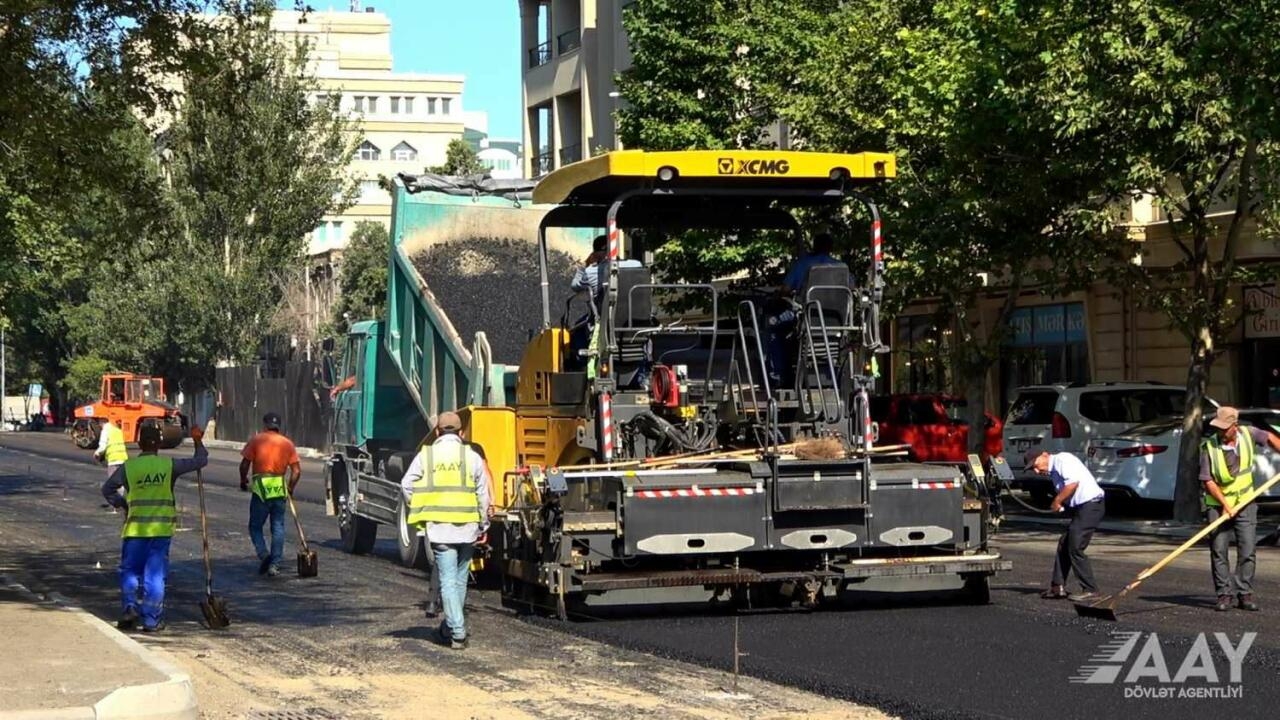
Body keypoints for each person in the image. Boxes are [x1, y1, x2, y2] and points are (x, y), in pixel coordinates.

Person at [101, 424, 207, 632]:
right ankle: (151, 621)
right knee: (155, 576)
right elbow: (200, 461)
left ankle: (130, 607)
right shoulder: (168, 465)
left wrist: (122, 504)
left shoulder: (128, 468)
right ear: (159, 444)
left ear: (139, 444)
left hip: (135, 530)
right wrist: (197, 440)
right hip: (160, 531)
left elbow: (107, 489)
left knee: (130, 571)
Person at [402, 411, 490, 650]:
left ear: (438, 432)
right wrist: (484, 523)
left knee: (448, 580)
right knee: (460, 580)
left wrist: (422, 507)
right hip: (468, 528)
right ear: (462, 434)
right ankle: (451, 627)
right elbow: (483, 494)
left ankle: (458, 632)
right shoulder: (472, 457)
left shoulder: (426, 456)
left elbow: (406, 485)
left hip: (440, 529)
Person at [1200, 406, 1280, 612]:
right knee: (1219, 551)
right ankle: (1224, 595)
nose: (1220, 431)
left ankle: (1244, 593)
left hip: (1246, 502)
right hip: (1218, 506)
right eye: (1218, 427)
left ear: (1234, 426)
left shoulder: (1248, 434)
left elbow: (1270, 437)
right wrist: (1226, 506)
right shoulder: (1209, 447)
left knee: (1247, 550)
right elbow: (1208, 481)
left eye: (1224, 428)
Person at [1028, 449, 1106, 603]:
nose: (1037, 471)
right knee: (1064, 543)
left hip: (1092, 505)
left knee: (1075, 547)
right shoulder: (1054, 472)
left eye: (1036, 465)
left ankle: (1091, 589)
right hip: (1082, 508)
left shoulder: (1062, 459)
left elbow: (1072, 484)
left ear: (1044, 454)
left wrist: (1057, 501)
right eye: (1033, 469)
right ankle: (1058, 586)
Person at [239, 412, 301, 577]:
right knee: (278, 527)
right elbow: (296, 471)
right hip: (279, 488)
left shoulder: (257, 440)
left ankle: (264, 554)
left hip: (261, 488)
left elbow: (244, 464)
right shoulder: (287, 444)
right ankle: (274, 565)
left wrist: (243, 480)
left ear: (265, 425)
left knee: (255, 526)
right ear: (278, 426)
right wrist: (290, 488)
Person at [94, 419, 128, 483]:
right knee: (121, 481)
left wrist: (96, 453)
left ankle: (116, 493)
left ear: (101, 424)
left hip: (113, 460)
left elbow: (102, 447)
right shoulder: (118, 430)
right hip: (123, 459)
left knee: (113, 482)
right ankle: (121, 493)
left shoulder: (105, 431)